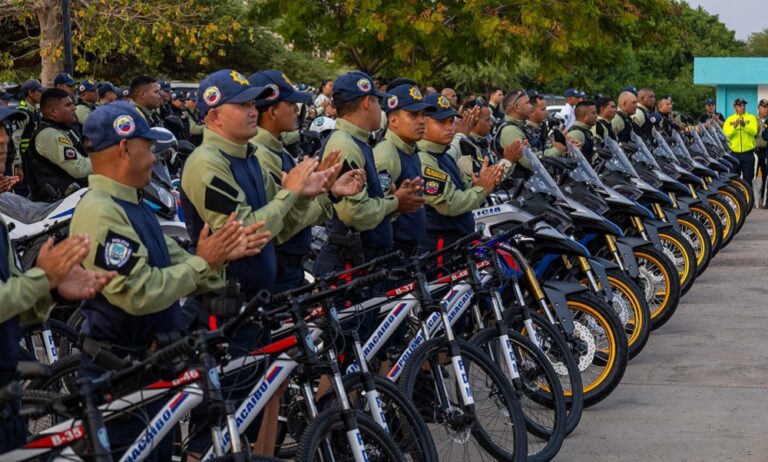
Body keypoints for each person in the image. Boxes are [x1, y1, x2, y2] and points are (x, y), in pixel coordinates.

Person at [70, 101, 265, 461]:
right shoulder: (102, 210)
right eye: (149, 149)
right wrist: (202, 264)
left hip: (148, 370)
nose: (155, 159)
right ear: (125, 148)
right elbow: (139, 293)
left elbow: (178, 261)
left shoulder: (133, 203)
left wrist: (216, 259)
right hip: (122, 377)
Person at [0, 105, 115, 453]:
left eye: (5, 130)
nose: (4, 139)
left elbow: (17, 310)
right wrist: (41, 278)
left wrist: (51, 288)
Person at [249, 69, 364, 291]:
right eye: (291, 104)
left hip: (288, 267)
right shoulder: (262, 156)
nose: (296, 110)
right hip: (278, 269)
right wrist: (324, 193)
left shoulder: (275, 150)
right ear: (272, 111)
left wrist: (327, 189)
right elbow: (285, 226)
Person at [313, 71, 425, 275]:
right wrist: (395, 201)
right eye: (377, 103)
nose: (380, 110)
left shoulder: (356, 141)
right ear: (367, 103)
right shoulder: (344, 144)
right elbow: (355, 214)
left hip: (363, 260)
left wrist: (388, 197)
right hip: (349, 262)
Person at [418, 93, 502, 250]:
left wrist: (483, 180)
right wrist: (482, 189)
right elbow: (450, 204)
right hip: (440, 246)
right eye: (441, 122)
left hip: (457, 241)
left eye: (451, 121)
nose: (450, 128)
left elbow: (466, 185)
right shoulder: (424, 158)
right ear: (423, 125)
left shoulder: (443, 155)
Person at [373, 83, 434, 255]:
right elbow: (375, 211)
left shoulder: (411, 149)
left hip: (409, 251)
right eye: (413, 115)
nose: (422, 121)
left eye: (423, 115)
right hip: (393, 252)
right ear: (393, 120)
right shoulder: (387, 153)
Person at [27, 88, 90, 202]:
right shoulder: (49, 135)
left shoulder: (63, 129)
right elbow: (79, 168)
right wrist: (104, 160)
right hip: (55, 206)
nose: (74, 108)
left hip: (70, 200)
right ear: (53, 111)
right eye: (68, 105)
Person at [495, 89, 566, 177]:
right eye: (528, 103)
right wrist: (556, 150)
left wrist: (559, 147)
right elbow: (529, 161)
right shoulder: (510, 130)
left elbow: (538, 150)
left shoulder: (520, 126)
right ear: (517, 107)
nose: (531, 107)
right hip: (519, 188)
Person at [723, 97, 758, 182]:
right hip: (734, 154)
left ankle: (749, 195)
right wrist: (734, 126)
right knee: (734, 180)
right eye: (740, 105)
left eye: (743, 105)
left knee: (748, 180)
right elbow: (725, 135)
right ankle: (736, 195)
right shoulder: (729, 119)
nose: (742, 107)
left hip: (748, 154)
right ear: (735, 107)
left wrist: (744, 125)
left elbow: (754, 132)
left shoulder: (751, 117)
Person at [755, 99, 768, 207]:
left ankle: (764, 199)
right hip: (755, 151)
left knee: (765, 176)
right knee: (752, 177)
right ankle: (752, 200)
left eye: (767, 107)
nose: (766, 109)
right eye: (763, 107)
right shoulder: (753, 119)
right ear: (759, 108)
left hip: (766, 151)